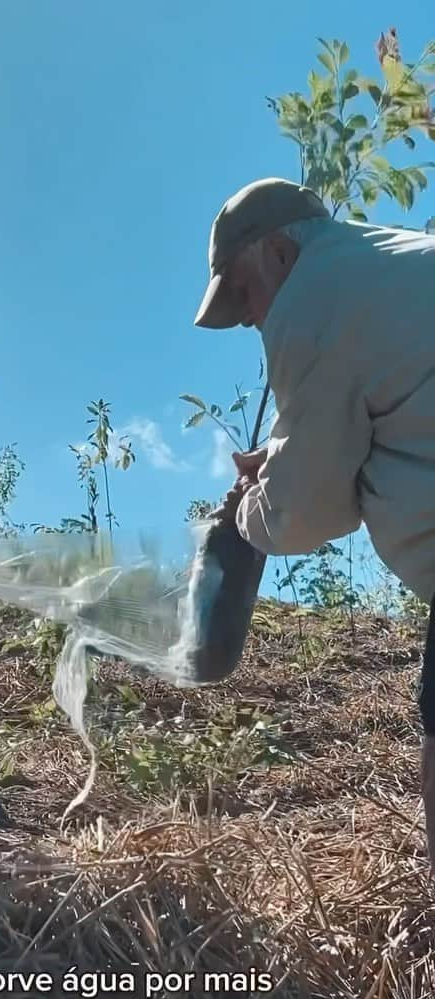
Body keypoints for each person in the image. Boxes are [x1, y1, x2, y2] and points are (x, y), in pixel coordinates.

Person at [193, 177, 435, 869]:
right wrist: (282, 453)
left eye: (241, 292)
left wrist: (247, 511)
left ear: (277, 251)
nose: (246, 318)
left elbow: (304, 514)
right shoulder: (383, 261)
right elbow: (392, 393)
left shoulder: (310, 299)